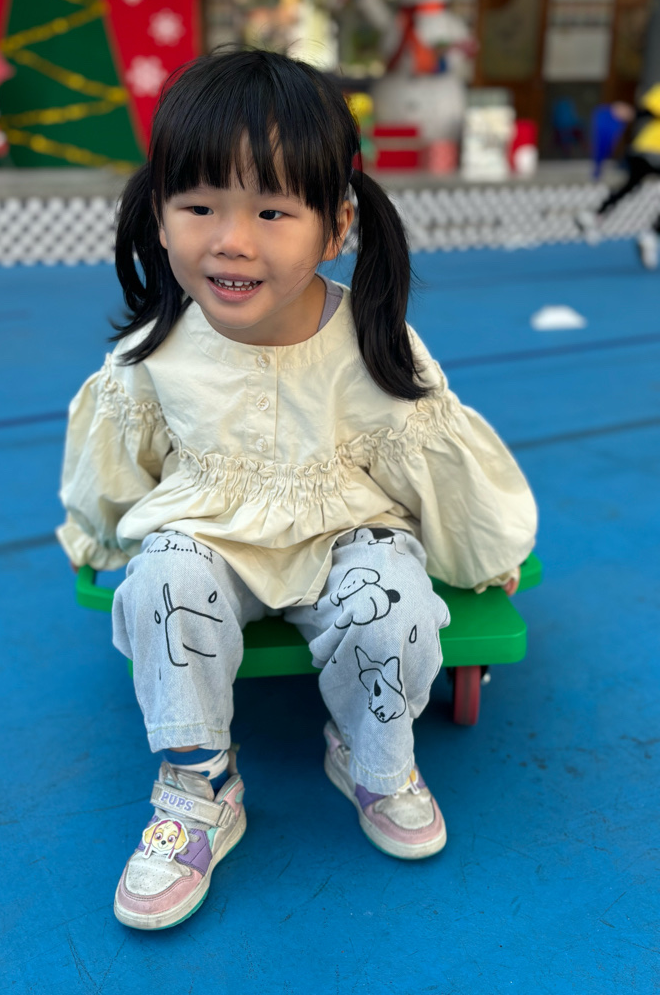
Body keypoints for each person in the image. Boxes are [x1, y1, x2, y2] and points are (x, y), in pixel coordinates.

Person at [57, 48, 537, 931]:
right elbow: (116, 468)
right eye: (199, 206)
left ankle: (371, 756)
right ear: (159, 216)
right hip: (210, 531)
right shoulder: (154, 353)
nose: (231, 240)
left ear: (337, 224)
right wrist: (107, 538)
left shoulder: (372, 338)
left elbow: (437, 464)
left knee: (393, 605)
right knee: (163, 581)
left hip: (347, 533)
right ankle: (200, 783)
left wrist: (486, 553)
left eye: (272, 211)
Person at [576, 86, 660, 269]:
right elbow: (646, 111)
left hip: (641, 151)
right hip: (652, 150)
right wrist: (629, 112)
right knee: (631, 185)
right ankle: (650, 236)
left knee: (631, 185)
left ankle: (595, 214)